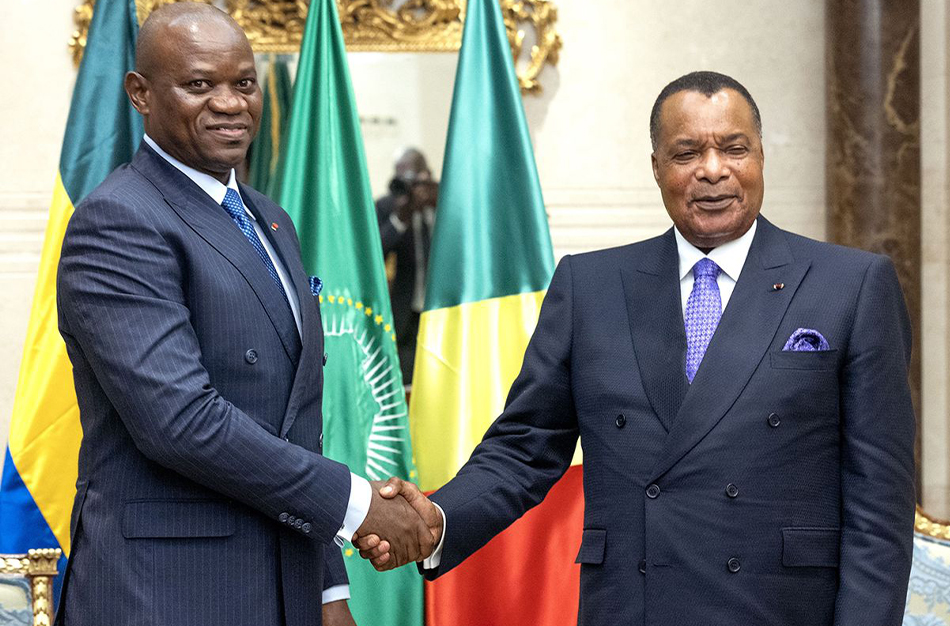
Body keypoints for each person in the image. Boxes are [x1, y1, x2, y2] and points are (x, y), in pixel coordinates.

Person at [356, 71, 917, 625]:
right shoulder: (590, 287)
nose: (713, 170)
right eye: (686, 152)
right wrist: (441, 518)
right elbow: (524, 448)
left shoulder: (850, 286)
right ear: (656, 167)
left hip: (781, 610)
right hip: (633, 606)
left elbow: (879, 504)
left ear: (761, 157)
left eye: (734, 148)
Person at [54, 5, 435, 626]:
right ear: (140, 94)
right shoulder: (119, 220)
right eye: (199, 85)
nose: (230, 103)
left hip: (283, 587)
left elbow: (295, 427)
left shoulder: (272, 221)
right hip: (167, 595)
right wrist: (357, 504)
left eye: (244, 83)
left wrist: (328, 591)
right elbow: (180, 421)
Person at [376, 149, 438, 385]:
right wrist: (400, 217)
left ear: (427, 175)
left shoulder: (444, 199)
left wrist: (437, 201)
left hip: (441, 311)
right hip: (405, 316)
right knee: (408, 384)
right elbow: (375, 253)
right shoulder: (387, 206)